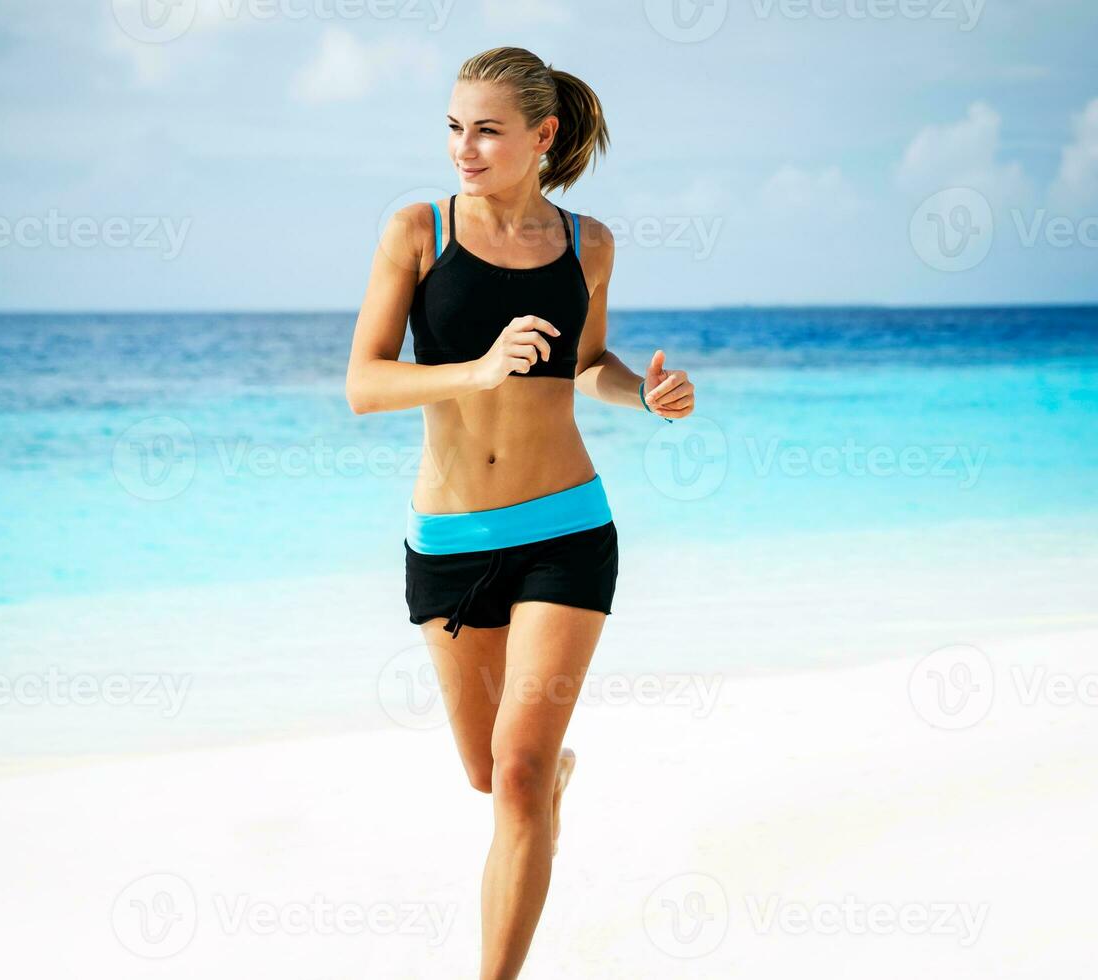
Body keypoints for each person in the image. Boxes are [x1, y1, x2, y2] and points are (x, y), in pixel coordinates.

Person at [344, 45, 695, 979]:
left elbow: (586, 365)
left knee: (521, 776)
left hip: (567, 530)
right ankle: (546, 782)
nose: (465, 147)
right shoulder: (418, 231)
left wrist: (644, 396)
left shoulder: (590, 245)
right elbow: (364, 383)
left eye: (487, 130)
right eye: (455, 128)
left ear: (542, 136)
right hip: (452, 541)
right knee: (486, 773)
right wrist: (476, 368)